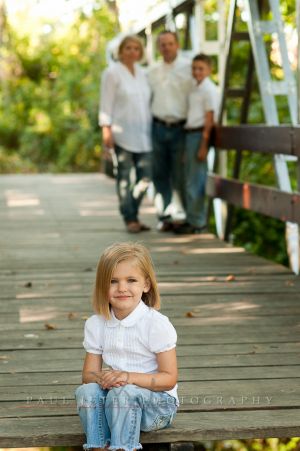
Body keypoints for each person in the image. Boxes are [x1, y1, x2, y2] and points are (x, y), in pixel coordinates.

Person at [75, 242, 178, 451]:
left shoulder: (156, 325)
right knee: (87, 392)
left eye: (131, 280)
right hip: (115, 402)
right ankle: (98, 447)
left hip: (157, 406)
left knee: (124, 394)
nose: (122, 288)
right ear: (102, 286)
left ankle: (123, 448)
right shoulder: (96, 324)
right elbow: (88, 376)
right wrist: (104, 377)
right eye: (113, 281)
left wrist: (127, 377)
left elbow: (169, 379)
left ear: (146, 284)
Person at [99, 36, 152, 234]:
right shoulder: (111, 73)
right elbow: (106, 103)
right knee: (124, 178)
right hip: (122, 134)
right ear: (120, 51)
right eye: (128, 48)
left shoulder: (144, 73)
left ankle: (132, 212)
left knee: (146, 177)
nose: (132, 52)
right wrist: (106, 130)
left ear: (140, 52)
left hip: (144, 134)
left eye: (136, 48)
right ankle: (130, 218)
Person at [147, 31, 191, 231]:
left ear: (177, 45)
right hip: (156, 127)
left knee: (180, 173)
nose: (167, 47)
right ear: (158, 47)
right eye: (163, 44)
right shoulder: (152, 71)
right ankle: (164, 215)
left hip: (181, 128)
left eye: (170, 43)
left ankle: (182, 216)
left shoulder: (189, 68)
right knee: (159, 173)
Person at [174, 53, 220, 235]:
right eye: (194, 68)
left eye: (201, 68)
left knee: (196, 181)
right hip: (189, 134)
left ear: (209, 70)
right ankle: (191, 218)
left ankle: (198, 222)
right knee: (188, 179)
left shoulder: (209, 89)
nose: (197, 71)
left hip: (199, 136)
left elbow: (210, 118)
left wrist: (203, 144)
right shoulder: (195, 87)